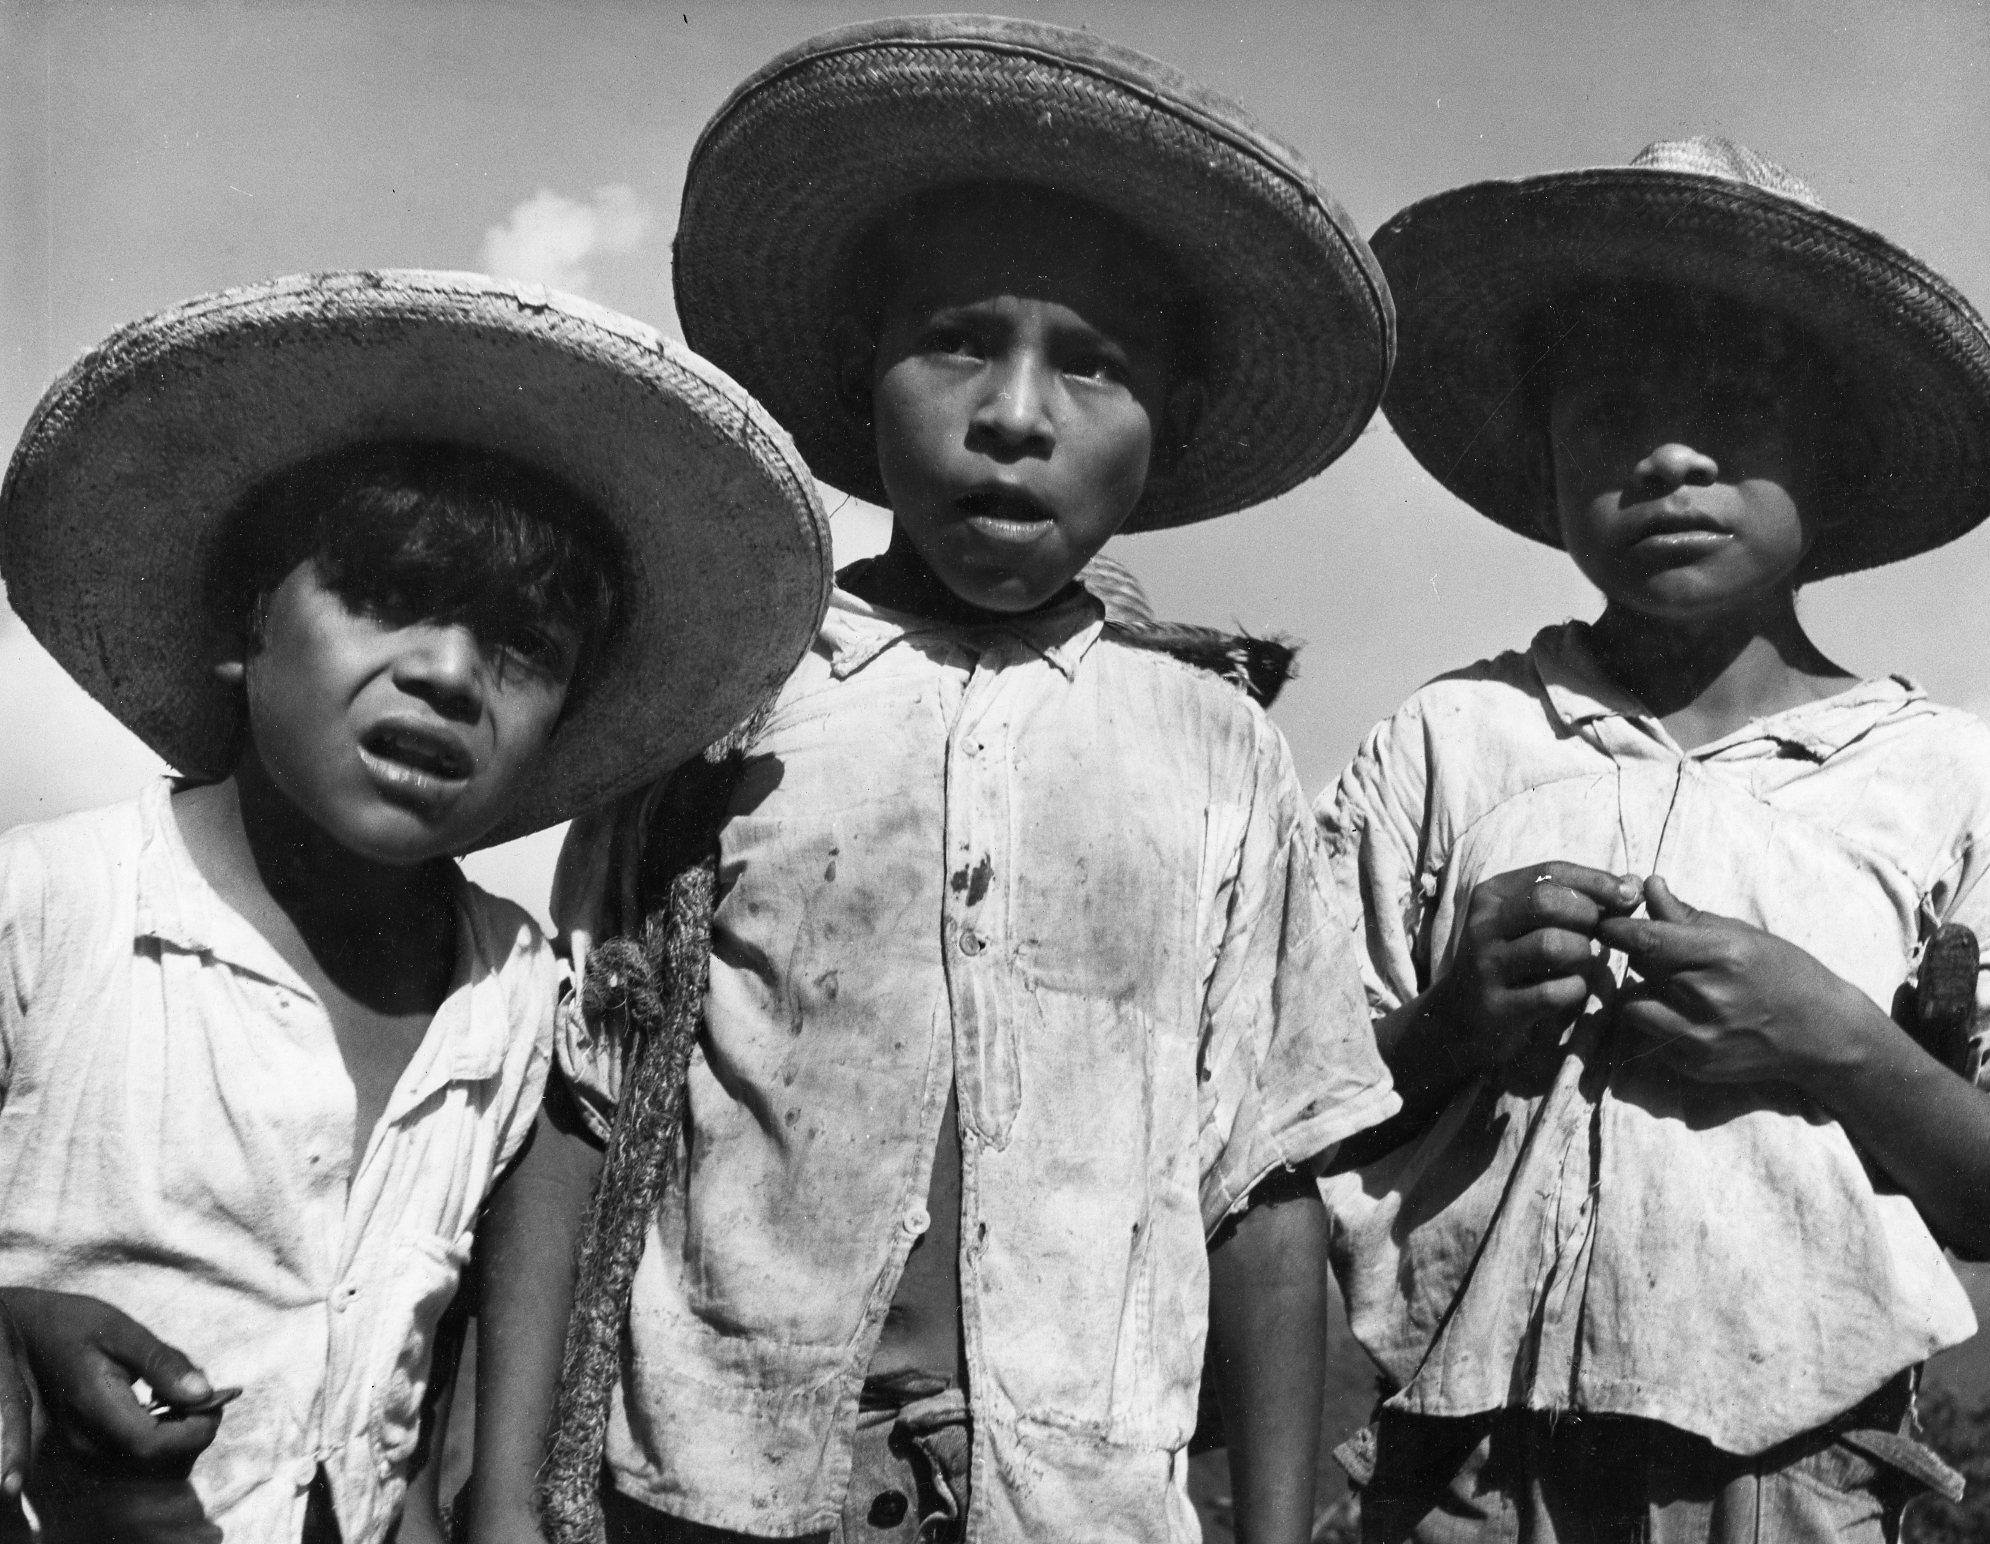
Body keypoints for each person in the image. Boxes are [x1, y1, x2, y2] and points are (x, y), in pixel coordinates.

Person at [466, 16, 1400, 1544]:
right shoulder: (725, 689)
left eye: (1090, 366)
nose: (1014, 415)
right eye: (959, 339)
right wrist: (505, 1505)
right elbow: (584, 1103)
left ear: (1162, 435)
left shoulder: (1212, 744)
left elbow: (1265, 1178)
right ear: (863, 379)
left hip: (1075, 1502)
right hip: (714, 1488)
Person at [0, 269, 832, 1543]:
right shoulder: (48, 910)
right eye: (385, 596)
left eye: (523, 649)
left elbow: (459, 1405)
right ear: (246, 624)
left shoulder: (512, 999)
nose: (448, 674)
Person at [1319, 138, 1990, 1544]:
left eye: (1733, 413)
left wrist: (1836, 1041)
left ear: (1836, 456)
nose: (1669, 459)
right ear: (1547, 463)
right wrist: (1451, 1023)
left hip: (1814, 1475)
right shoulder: (1452, 744)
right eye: (1610, 415)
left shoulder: (1937, 778)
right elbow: (1283, 1119)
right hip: (1461, 1475)